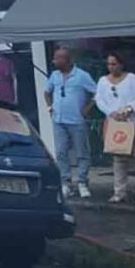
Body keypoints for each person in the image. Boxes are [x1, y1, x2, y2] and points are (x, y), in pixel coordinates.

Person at [95, 52, 135, 204]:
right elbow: (99, 100)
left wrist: (129, 109)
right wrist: (111, 112)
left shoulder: (132, 79)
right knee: (118, 159)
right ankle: (119, 192)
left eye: (114, 64)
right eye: (109, 64)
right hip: (115, 124)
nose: (111, 67)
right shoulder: (102, 81)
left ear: (121, 64)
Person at [44, 46, 97, 199]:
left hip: (76, 120)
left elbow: (97, 92)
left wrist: (87, 108)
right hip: (58, 120)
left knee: (82, 153)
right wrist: (49, 107)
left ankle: (82, 182)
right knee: (61, 152)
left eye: (59, 58)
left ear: (68, 60)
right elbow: (47, 92)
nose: (55, 61)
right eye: (55, 58)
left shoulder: (82, 76)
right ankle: (66, 182)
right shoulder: (54, 75)